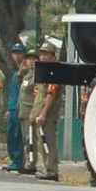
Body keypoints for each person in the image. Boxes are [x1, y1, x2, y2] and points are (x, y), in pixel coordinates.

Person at [30, 38, 64, 181]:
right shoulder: (43, 71)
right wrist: (34, 111)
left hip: (49, 114)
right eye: (42, 54)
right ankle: (46, 167)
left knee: (49, 140)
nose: (43, 57)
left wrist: (43, 113)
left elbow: (51, 94)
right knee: (42, 140)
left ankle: (51, 169)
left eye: (46, 54)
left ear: (53, 56)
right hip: (41, 112)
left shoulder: (54, 72)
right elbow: (38, 94)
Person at [5, 41, 33, 172]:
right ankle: (13, 160)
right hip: (12, 106)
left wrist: (21, 74)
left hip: (21, 107)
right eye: (15, 53)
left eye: (20, 53)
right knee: (11, 134)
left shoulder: (26, 72)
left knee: (19, 136)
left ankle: (18, 161)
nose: (17, 56)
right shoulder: (15, 71)